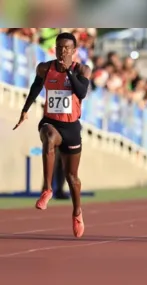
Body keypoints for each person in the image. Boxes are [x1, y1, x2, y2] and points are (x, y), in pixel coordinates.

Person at [13, 32, 91, 238]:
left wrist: (69, 73)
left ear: (74, 51)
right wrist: (25, 109)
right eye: (59, 47)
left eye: (66, 48)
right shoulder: (45, 68)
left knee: (72, 177)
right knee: (48, 138)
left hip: (72, 127)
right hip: (51, 122)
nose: (62, 51)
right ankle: (47, 189)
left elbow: (82, 93)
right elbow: (36, 86)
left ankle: (77, 212)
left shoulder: (82, 69)